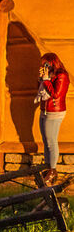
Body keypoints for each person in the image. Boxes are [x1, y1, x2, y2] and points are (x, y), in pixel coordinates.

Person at [37, 52, 69, 183]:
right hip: (44, 110)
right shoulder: (49, 75)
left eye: (46, 63)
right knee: (46, 142)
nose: (44, 66)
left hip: (55, 112)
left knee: (51, 141)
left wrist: (46, 80)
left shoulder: (62, 76)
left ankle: (53, 170)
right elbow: (40, 90)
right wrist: (41, 79)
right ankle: (47, 167)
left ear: (53, 62)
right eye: (43, 64)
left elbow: (55, 94)